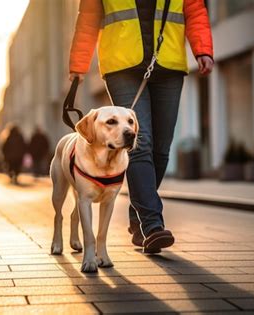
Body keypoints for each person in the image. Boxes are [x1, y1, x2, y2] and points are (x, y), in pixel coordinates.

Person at [69, 0, 213, 252]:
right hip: (122, 65)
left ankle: (138, 215)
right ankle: (152, 224)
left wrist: (203, 49)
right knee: (139, 141)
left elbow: (195, 9)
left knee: (161, 149)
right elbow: (88, 15)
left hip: (168, 62)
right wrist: (79, 64)